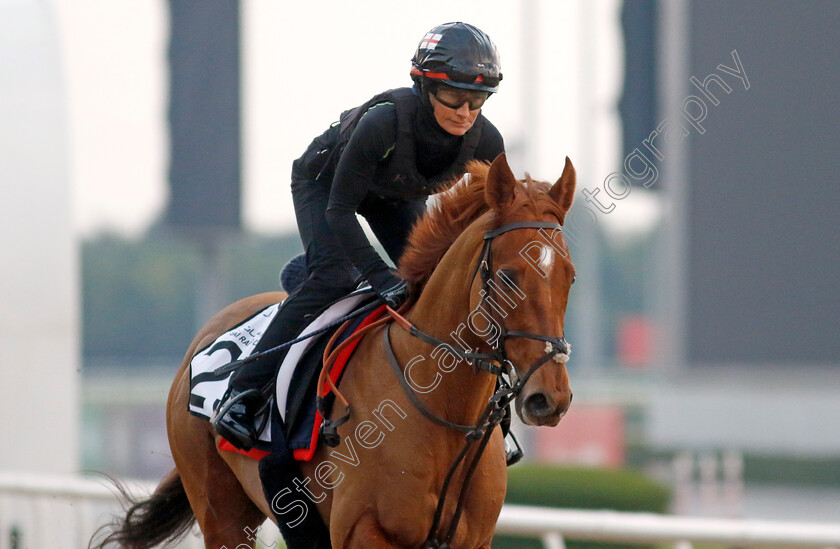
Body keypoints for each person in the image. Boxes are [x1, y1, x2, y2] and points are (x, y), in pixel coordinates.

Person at [211, 22, 505, 451]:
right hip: (325, 187)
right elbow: (340, 209)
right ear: (423, 86)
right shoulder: (383, 124)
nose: (464, 111)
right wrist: (378, 276)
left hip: (393, 194)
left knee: (433, 282)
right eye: (453, 96)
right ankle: (243, 392)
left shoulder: (488, 140)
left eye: (477, 99)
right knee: (335, 277)